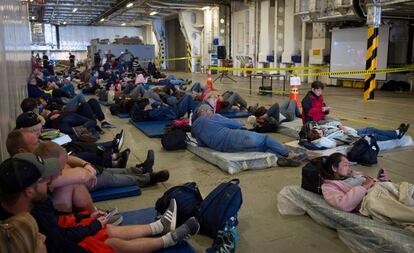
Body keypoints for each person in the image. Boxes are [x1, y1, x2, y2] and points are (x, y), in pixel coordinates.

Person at [0, 153, 200, 253]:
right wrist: (93, 226)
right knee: (109, 242)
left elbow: (56, 226)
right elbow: (59, 241)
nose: (51, 181)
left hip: (63, 239)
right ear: (28, 190)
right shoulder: (18, 228)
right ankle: (167, 239)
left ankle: (160, 227)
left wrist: (84, 219)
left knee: (104, 230)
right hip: (64, 246)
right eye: (45, 180)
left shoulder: (36, 203)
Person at [320, 153, 414, 230]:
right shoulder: (329, 186)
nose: (349, 168)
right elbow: (343, 205)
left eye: (349, 165)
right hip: (373, 197)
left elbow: (372, 182)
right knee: (405, 212)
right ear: (334, 168)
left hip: (385, 188)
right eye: (345, 165)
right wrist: (365, 186)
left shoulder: (354, 174)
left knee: (407, 188)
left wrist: (385, 180)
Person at [191, 104, 305, 167]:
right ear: (205, 112)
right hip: (234, 137)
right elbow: (236, 124)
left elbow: (201, 144)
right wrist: (240, 124)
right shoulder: (213, 117)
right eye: (210, 110)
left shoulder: (195, 126)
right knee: (266, 139)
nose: (212, 112)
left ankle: (279, 158)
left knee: (263, 147)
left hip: (226, 149)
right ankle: (288, 154)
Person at [306, 121, 410, 149]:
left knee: (372, 128)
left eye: (319, 130)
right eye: (320, 133)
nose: (321, 131)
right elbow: (346, 138)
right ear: (321, 137)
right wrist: (346, 131)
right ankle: (397, 134)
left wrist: (340, 126)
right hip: (355, 136)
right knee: (374, 135)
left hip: (353, 130)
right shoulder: (330, 139)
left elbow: (333, 122)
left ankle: (396, 133)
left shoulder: (322, 128)